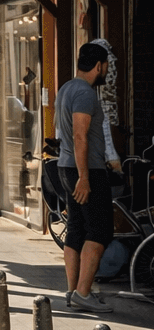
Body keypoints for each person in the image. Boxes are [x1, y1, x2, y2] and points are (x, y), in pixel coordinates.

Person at [56, 41, 115, 313]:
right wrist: (84, 177)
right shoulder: (85, 94)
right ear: (99, 65)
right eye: (106, 66)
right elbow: (80, 136)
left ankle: (73, 292)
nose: (106, 71)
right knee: (100, 230)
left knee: (77, 229)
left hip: (66, 166)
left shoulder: (66, 88)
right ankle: (83, 292)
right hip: (85, 170)